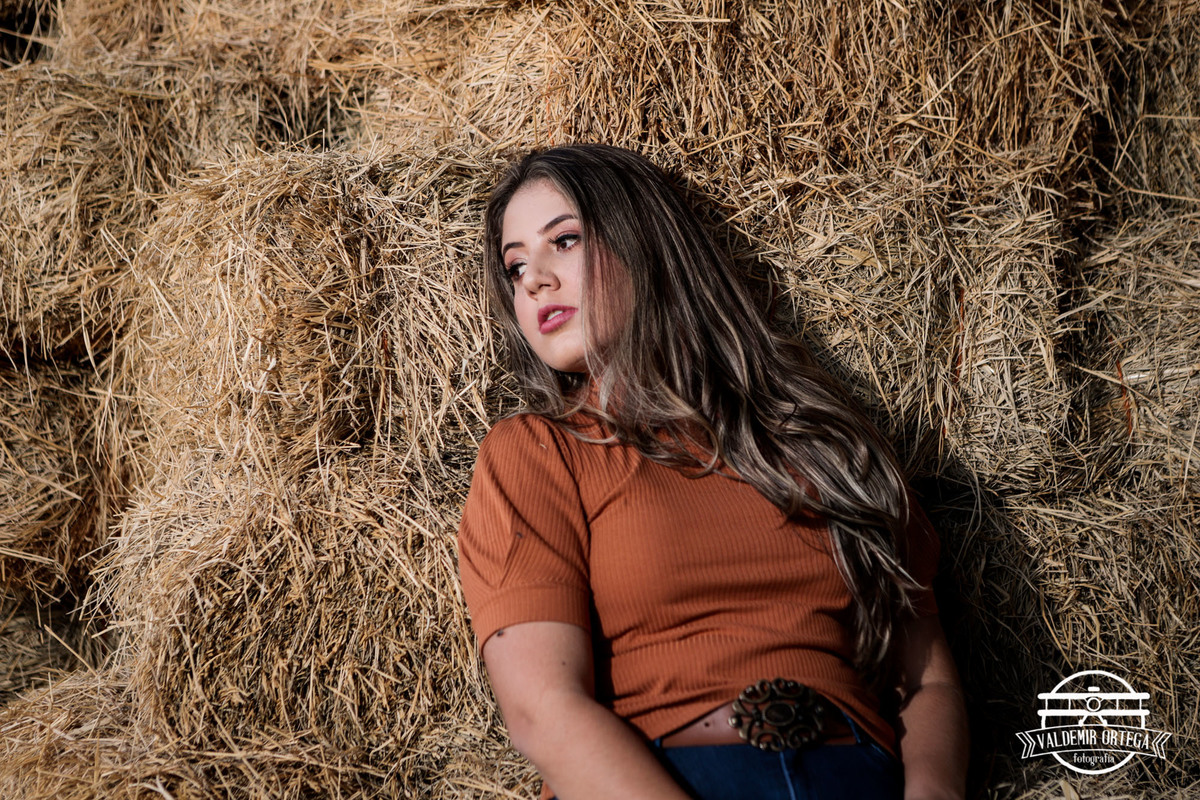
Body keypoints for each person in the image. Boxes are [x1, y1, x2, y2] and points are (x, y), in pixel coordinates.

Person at [456, 144, 968, 800]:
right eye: (516, 265)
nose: (534, 280)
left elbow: (928, 681)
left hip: (854, 779)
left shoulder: (821, 443)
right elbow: (543, 713)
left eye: (565, 240)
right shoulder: (538, 452)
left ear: (646, 243)